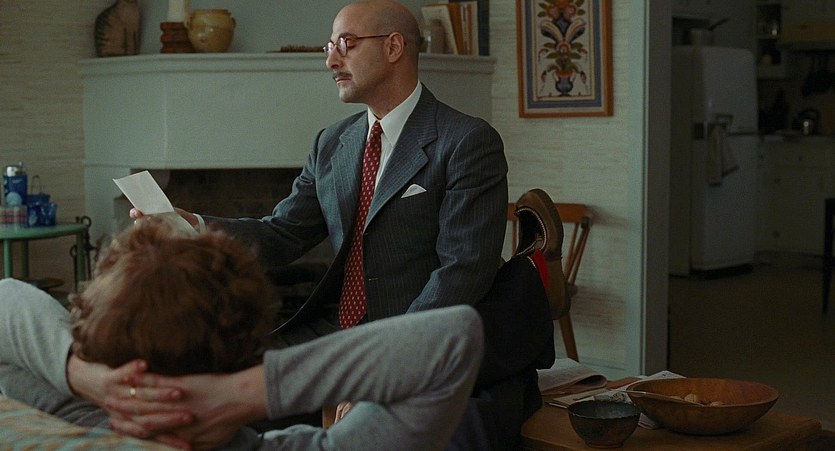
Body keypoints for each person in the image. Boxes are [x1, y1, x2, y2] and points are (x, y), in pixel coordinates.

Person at [69, 0, 559, 448]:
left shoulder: (467, 141)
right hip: (333, 328)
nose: (331, 60)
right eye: (330, 46)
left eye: (346, 43)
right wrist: (193, 224)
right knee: (210, 388)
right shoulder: (332, 143)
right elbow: (282, 233)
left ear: (394, 47)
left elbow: (461, 272)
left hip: (415, 332)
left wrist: (381, 368)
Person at [0, 216, 483, 450]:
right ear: (246, 356)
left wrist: (83, 376)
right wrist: (241, 396)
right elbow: (453, 338)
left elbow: (6, 297)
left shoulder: (54, 422)